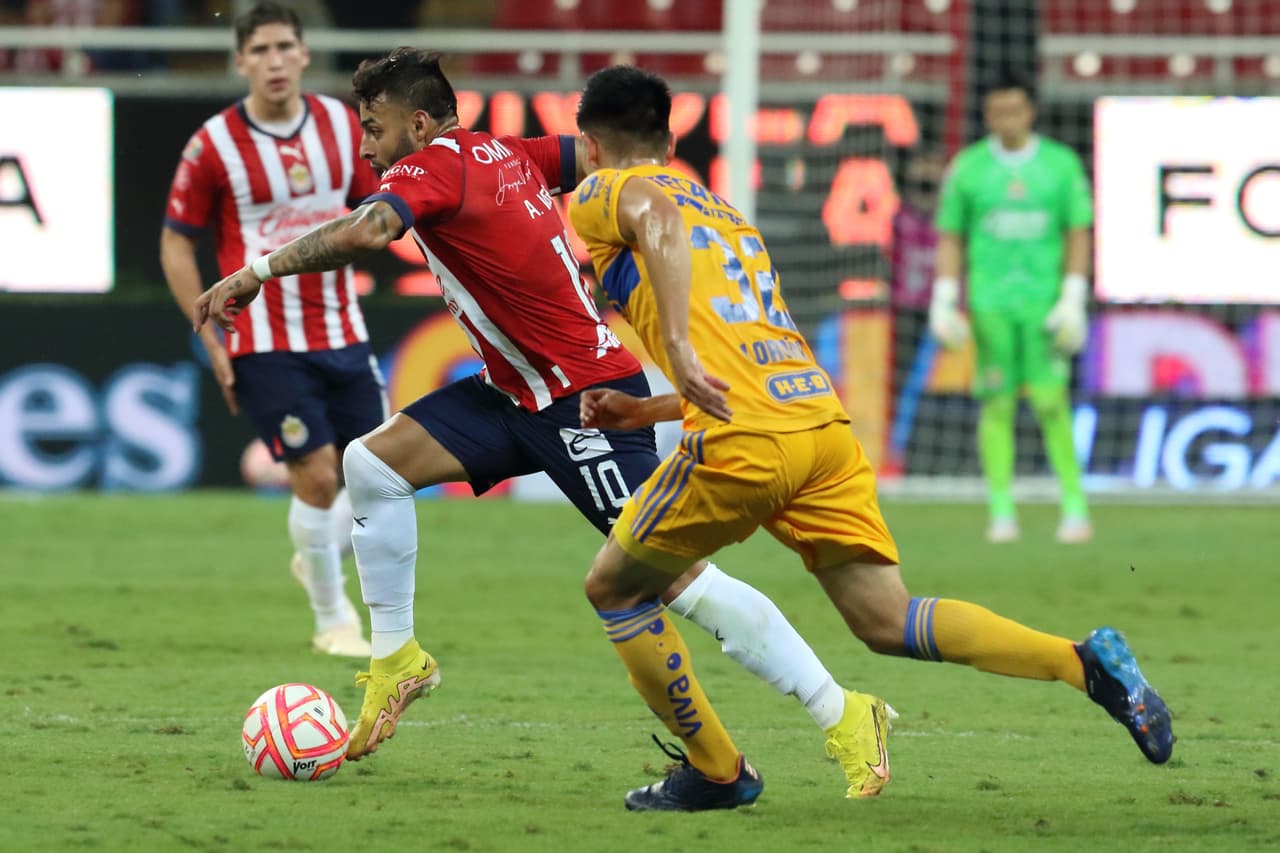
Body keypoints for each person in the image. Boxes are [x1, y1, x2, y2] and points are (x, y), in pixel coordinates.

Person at [192, 47, 890, 798]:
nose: (366, 145)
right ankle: (398, 660)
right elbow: (605, 160)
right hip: (514, 394)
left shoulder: (430, 165)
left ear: (418, 123)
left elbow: (368, 233)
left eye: (374, 127)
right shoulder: (508, 151)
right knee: (372, 464)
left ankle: (844, 710)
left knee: (676, 579)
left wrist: (253, 272)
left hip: (582, 400)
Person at [567, 64, 1172, 812]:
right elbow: (746, 353)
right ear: (669, 134)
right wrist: (649, 410)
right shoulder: (726, 215)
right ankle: (1084, 665)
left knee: (615, 587)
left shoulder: (607, 190)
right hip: (818, 428)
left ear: (590, 145)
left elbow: (652, 212)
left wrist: (682, 355)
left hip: (745, 443)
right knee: (889, 619)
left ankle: (717, 772)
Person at [161, 2, 380, 658]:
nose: (275, 61)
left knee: (381, 472)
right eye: (259, 50)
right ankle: (332, 615)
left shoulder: (344, 128)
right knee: (315, 476)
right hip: (262, 338)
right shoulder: (212, 145)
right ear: (240, 61)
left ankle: (317, 551)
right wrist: (208, 334)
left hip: (343, 326)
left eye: (285, 46)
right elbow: (176, 244)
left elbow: (384, 211)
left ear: (306, 54)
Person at [929, 70, 1094, 544]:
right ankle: (1001, 509)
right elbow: (952, 236)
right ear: (987, 115)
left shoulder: (1060, 166)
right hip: (990, 304)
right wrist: (944, 299)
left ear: (1030, 112)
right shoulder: (970, 168)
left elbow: (1077, 231)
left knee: (1050, 402)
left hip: (1043, 304)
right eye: (997, 111)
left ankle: (1075, 505)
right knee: (996, 403)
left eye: (1014, 110)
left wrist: (1074, 296)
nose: (1007, 119)